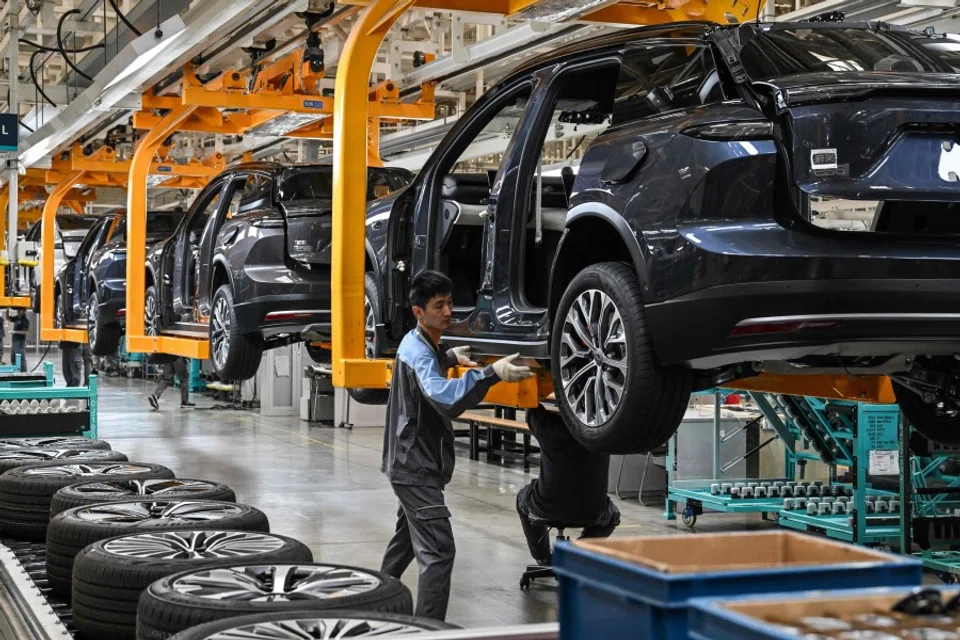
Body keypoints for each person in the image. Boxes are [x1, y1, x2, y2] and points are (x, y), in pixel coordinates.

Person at [380, 270, 534, 621]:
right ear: (418, 311)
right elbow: (443, 396)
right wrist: (490, 373)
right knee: (438, 550)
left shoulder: (418, 343)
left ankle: (377, 596)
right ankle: (427, 629)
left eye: (450, 303)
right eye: (439, 306)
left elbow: (427, 374)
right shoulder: (419, 352)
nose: (448, 312)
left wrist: (448, 358)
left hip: (409, 463)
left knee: (406, 541)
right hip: (414, 467)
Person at [516, 406, 621, 566]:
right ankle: (575, 554)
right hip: (592, 512)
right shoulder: (602, 434)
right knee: (612, 516)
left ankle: (542, 556)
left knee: (522, 499)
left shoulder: (547, 427)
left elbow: (530, 408)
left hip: (545, 507)